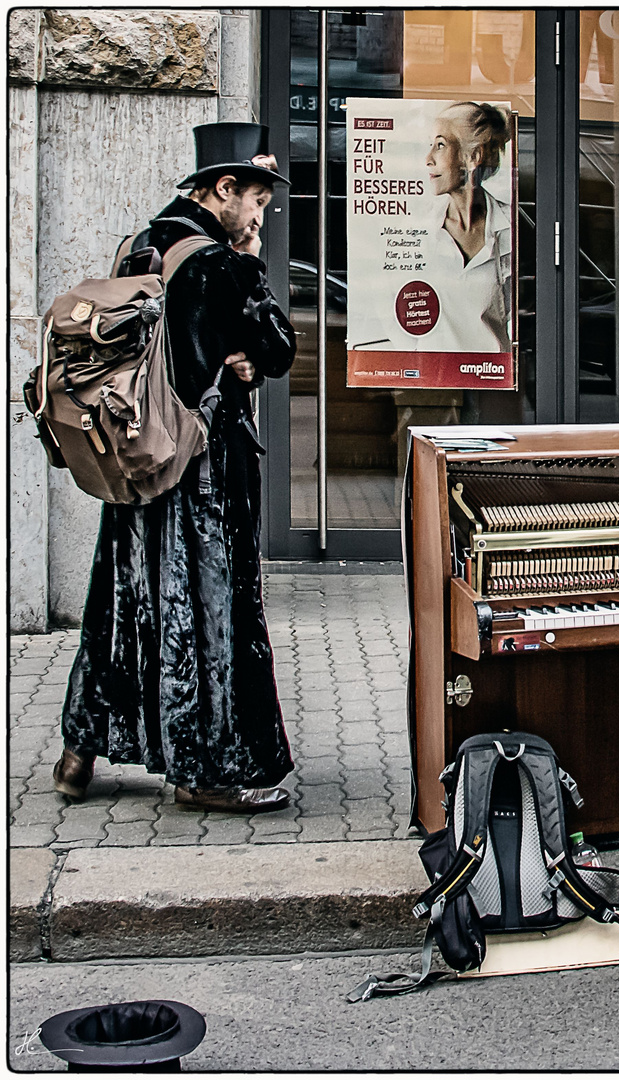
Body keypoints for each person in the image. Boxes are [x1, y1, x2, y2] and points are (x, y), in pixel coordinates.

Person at [52, 122, 297, 814]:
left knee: (121, 605)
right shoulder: (223, 263)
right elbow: (278, 347)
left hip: (133, 460)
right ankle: (204, 770)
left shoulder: (143, 245)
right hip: (200, 471)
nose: (259, 217)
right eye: (256, 202)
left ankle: (79, 752)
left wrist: (230, 351)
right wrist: (246, 327)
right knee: (205, 617)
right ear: (223, 190)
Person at [422, 101, 513, 353]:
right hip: (433, 378)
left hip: (491, 376)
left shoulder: (511, 229)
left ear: (471, 157)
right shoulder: (419, 230)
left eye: (440, 145)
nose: (428, 159)